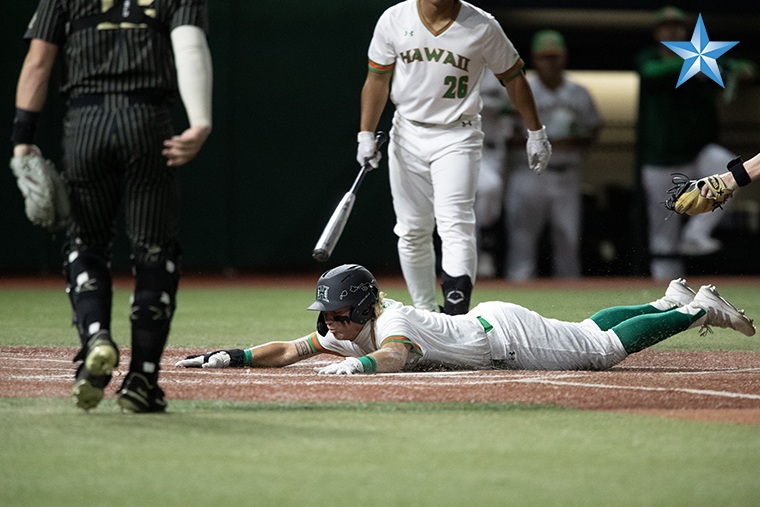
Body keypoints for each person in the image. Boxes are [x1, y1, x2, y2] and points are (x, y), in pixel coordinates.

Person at [11, 0, 213, 412]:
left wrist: (21, 139)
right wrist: (200, 121)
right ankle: (142, 377)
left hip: (86, 125)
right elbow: (189, 48)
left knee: (86, 243)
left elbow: (38, 61)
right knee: (155, 251)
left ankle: (96, 339)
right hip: (148, 124)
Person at [176, 264, 754, 375]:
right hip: (492, 326)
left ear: (359, 307)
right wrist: (234, 355)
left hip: (505, 337)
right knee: (586, 328)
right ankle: (665, 299)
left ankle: (699, 307)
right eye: (326, 314)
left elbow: (397, 353)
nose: (326, 324)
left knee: (599, 347)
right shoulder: (348, 329)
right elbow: (290, 349)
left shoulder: (391, 319)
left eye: (334, 312)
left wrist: (362, 369)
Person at [355, 0, 551, 315]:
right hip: (407, 131)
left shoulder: (482, 26)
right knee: (412, 229)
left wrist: (536, 132)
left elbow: (513, 77)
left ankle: (456, 315)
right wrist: (366, 133)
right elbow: (376, 79)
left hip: (457, 134)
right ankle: (425, 313)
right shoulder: (394, 18)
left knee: (455, 222)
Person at [635, 6, 756, 280]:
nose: (672, 31)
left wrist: (735, 69)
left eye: (677, 27)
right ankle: (665, 292)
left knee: (732, 170)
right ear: (657, 34)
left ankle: (696, 233)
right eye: (666, 27)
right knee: (663, 231)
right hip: (660, 159)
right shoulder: (650, 59)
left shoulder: (705, 64)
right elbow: (652, 72)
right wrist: (697, 62)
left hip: (698, 152)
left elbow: (745, 69)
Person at [504, 30, 601, 282]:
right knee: (521, 240)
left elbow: (593, 129)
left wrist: (565, 142)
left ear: (564, 58)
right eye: (545, 56)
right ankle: (516, 294)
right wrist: (542, 142)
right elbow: (505, 134)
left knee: (568, 240)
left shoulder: (579, 92)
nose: (551, 62)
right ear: (535, 59)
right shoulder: (522, 88)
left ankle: (570, 299)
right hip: (528, 174)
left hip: (567, 173)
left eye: (555, 56)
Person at [474, 72, 512, 278]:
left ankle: (484, 249)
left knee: (490, 202)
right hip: (465, 146)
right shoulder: (457, 61)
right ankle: (482, 251)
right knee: (490, 187)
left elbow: (511, 105)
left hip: (495, 149)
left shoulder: (497, 70)